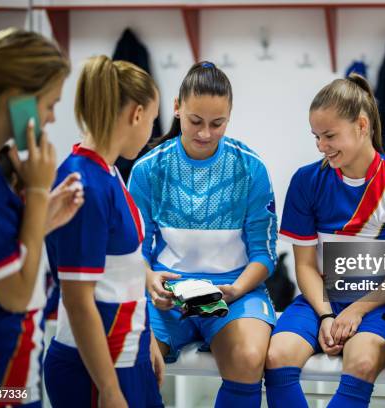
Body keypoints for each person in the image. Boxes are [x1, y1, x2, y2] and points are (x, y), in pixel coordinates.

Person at [265, 74, 385, 408]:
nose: (321, 146)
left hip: (382, 303)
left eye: (329, 136)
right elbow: (305, 266)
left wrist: (356, 310)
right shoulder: (306, 180)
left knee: (361, 361)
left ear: (361, 125)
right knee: (276, 356)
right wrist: (327, 315)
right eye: (316, 137)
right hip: (321, 299)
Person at [128, 61, 277, 407]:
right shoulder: (149, 169)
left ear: (230, 116)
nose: (205, 133)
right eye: (196, 121)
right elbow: (135, 247)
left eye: (217, 123)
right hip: (166, 295)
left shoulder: (250, 168)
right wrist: (149, 278)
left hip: (235, 293)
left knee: (248, 357)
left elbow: (264, 253)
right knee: (134, 361)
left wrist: (236, 289)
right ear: (178, 107)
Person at [0, 28, 79, 406]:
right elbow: (13, 293)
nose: (50, 118)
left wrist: (42, 215)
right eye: (49, 104)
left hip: (7, 366)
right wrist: (38, 194)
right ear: (18, 100)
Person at [43, 55, 163, 408]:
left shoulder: (108, 171)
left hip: (127, 353)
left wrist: (148, 339)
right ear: (137, 114)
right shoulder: (85, 185)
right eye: (153, 121)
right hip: (97, 369)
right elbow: (79, 301)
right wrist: (109, 390)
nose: (151, 132)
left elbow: (120, 270)